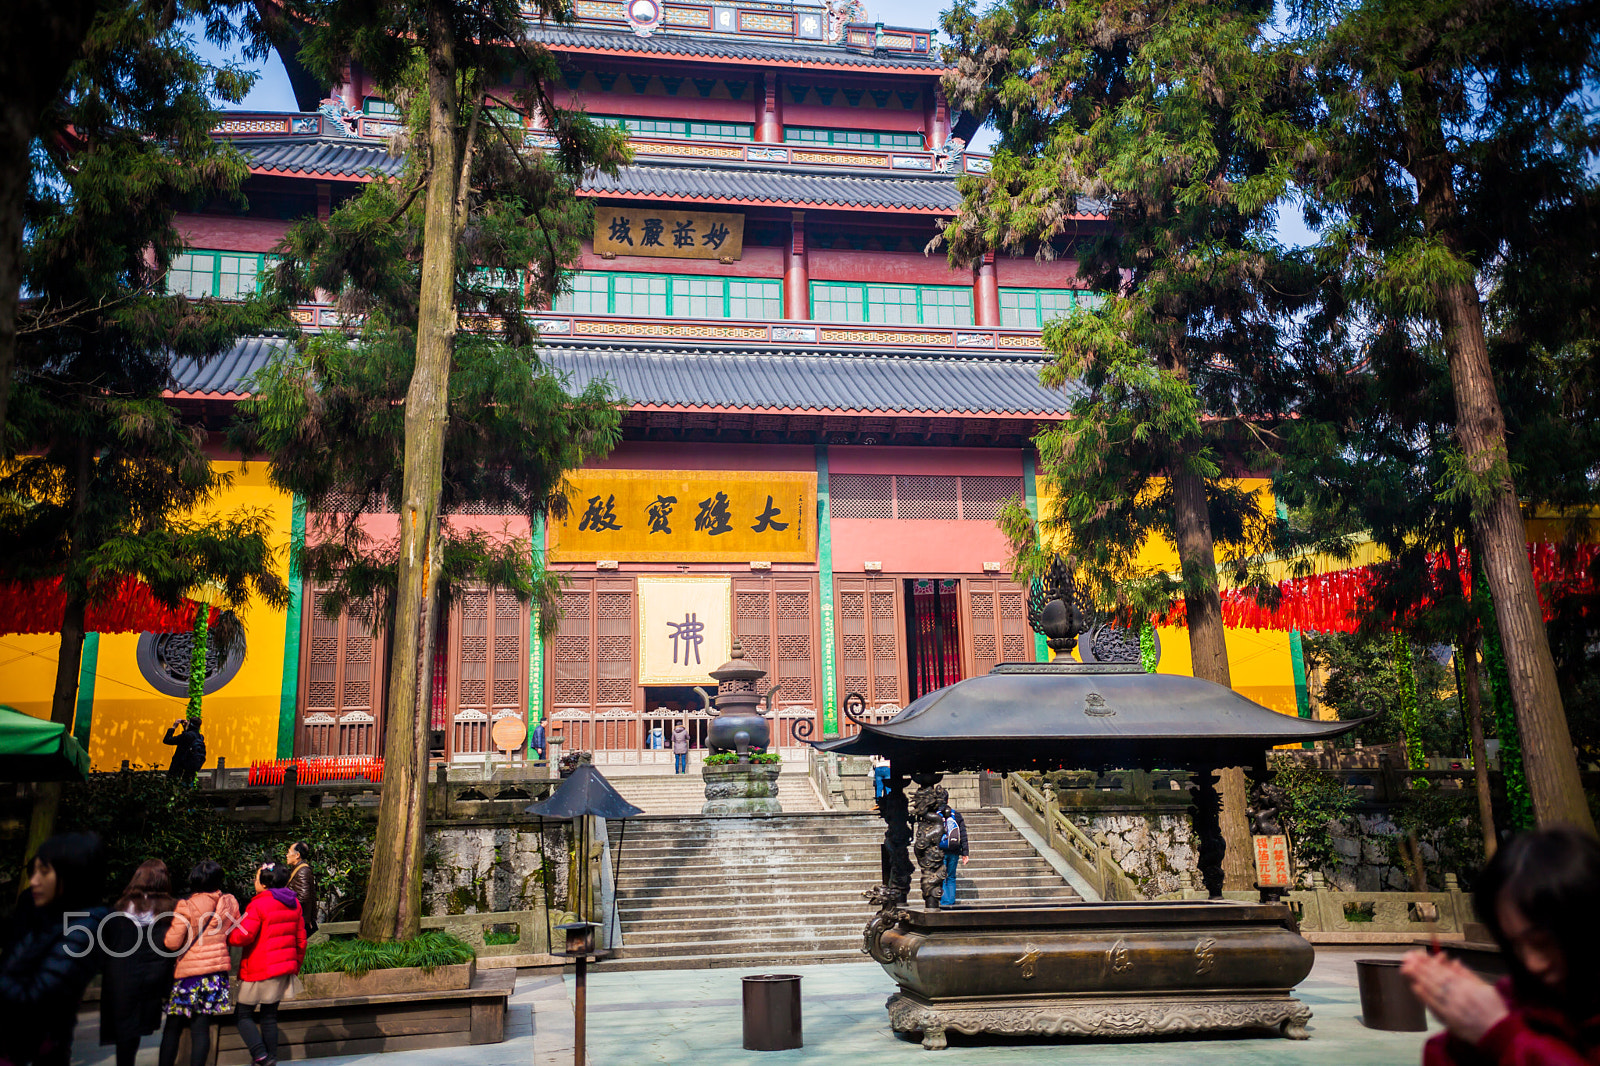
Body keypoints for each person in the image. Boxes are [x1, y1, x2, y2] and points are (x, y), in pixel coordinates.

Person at [1401, 826, 1600, 1066]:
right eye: (1514, 946)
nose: (1532, 964)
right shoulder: (1519, 996)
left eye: (1542, 943)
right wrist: (1463, 1029)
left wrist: (1499, 1033)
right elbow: (1437, 1053)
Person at [0, 832, 107, 1066]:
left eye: (44, 872)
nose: (35, 880)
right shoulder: (44, 910)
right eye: (34, 872)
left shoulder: (85, 925)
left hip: (36, 1039)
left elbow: (38, 995)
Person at [160, 860, 239, 1066]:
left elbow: (172, 942)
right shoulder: (229, 903)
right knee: (201, 1028)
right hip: (215, 976)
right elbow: (234, 932)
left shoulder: (186, 906)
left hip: (190, 975)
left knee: (172, 1027)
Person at [229, 861, 307, 1066]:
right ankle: (270, 1059)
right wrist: (294, 966)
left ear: (264, 884)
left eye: (255, 879)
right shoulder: (295, 904)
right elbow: (301, 940)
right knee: (269, 1016)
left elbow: (242, 937)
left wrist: (229, 931)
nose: (254, 882)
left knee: (242, 1015)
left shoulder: (258, 904)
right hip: (282, 969)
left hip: (259, 968)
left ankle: (260, 1055)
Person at [100, 860, 178, 1066]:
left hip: (121, 975)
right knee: (139, 1026)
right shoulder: (170, 910)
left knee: (125, 1033)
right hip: (153, 975)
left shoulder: (119, 908)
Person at [939, 803, 969, 908]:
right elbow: (963, 834)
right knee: (951, 877)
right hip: (954, 850)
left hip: (940, 851)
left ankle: (946, 902)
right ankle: (951, 902)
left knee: (941, 877)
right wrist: (965, 853)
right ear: (947, 799)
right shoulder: (956, 815)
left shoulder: (935, 814)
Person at [285, 842, 318, 937]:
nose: (287, 855)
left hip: (300, 920)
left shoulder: (302, 871)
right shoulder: (299, 869)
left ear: (297, 855)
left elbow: (303, 897)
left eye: (289, 852)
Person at [161, 718, 206, 784]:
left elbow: (167, 740)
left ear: (190, 724)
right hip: (190, 767)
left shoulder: (186, 736)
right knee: (187, 786)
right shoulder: (200, 737)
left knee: (174, 785)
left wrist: (173, 727)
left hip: (179, 767)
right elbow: (188, 739)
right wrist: (185, 729)